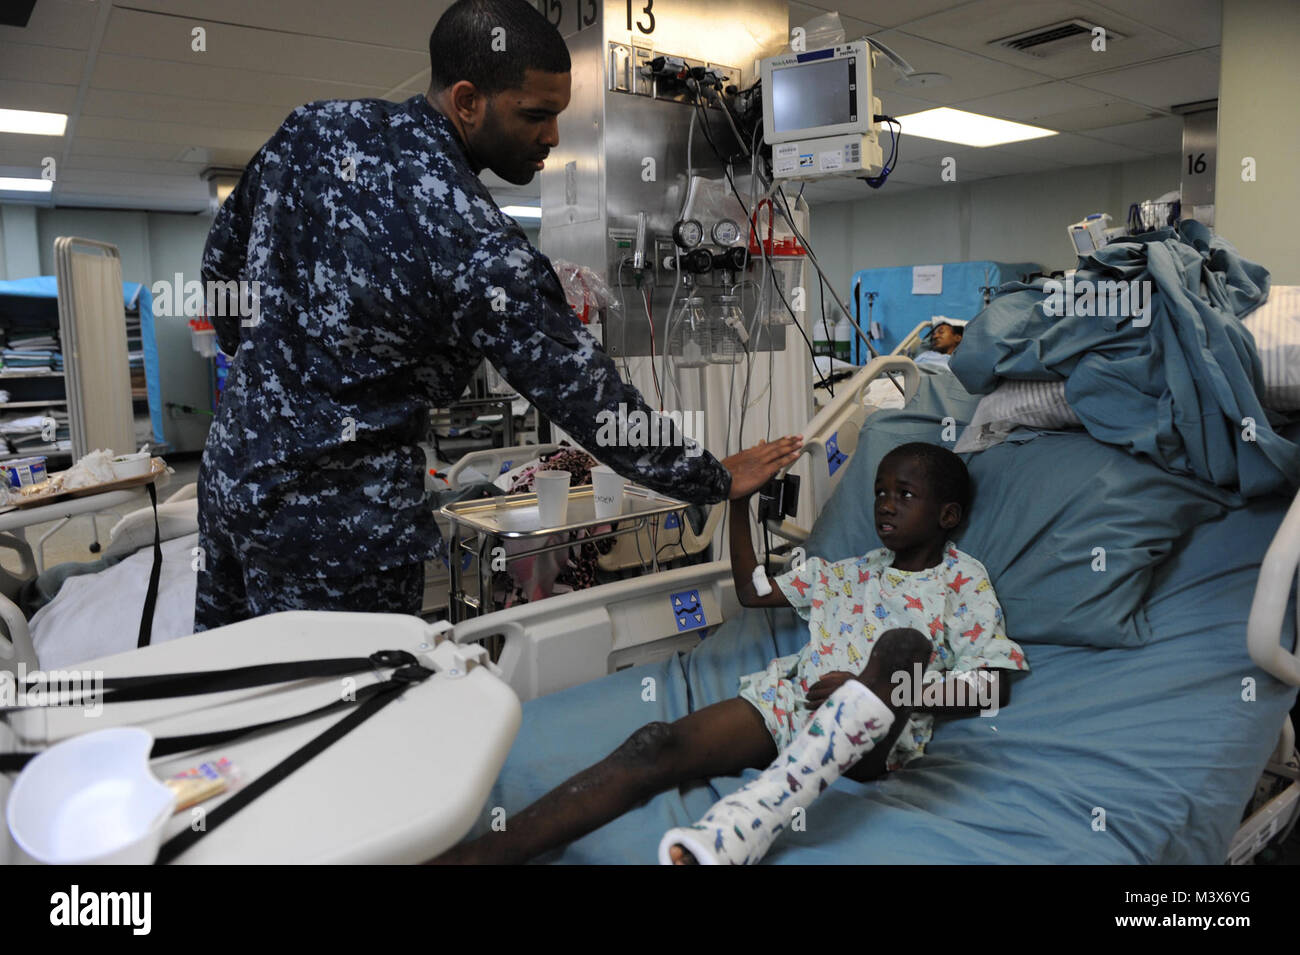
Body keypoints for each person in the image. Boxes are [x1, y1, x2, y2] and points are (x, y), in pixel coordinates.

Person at [193, 0, 799, 631]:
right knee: (338, 716)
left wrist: (265, 366)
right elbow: (585, 396)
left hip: (232, 482)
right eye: (536, 115)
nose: (553, 137)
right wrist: (708, 476)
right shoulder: (471, 237)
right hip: (336, 529)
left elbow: (223, 261)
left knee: (220, 699)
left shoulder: (311, 131)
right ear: (466, 101)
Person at [436, 442, 1030, 864]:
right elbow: (752, 589)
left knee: (903, 646)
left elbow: (991, 685)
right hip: (791, 704)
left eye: (905, 494)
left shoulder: (961, 581)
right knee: (654, 744)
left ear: (948, 516)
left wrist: (877, 689)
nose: (886, 505)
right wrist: (737, 501)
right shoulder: (850, 572)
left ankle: (829, 739)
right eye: (880, 492)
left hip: (881, 736)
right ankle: (482, 856)